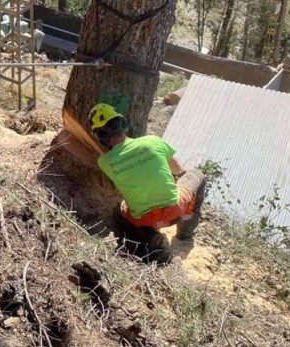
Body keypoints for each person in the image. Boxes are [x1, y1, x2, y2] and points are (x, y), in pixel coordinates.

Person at [88, 103, 206, 252]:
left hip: (143, 222)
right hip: (175, 213)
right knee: (196, 174)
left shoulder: (105, 162)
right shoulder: (153, 141)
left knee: (121, 208)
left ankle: (149, 236)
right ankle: (185, 234)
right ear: (123, 123)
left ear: (99, 136)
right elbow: (178, 170)